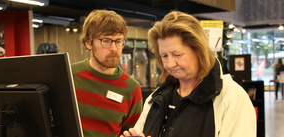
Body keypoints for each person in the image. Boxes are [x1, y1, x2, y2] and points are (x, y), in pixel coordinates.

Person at [121, 11, 256, 137]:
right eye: (164, 56)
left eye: (177, 54)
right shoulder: (156, 98)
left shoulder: (231, 98)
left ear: (199, 51)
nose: (170, 64)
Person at [71, 9, 143, 137]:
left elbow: (131, 132)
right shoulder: (69, 76)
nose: (114, 49)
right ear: (89, 42)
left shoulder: (131, 89)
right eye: (106, 41)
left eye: (119, 41)